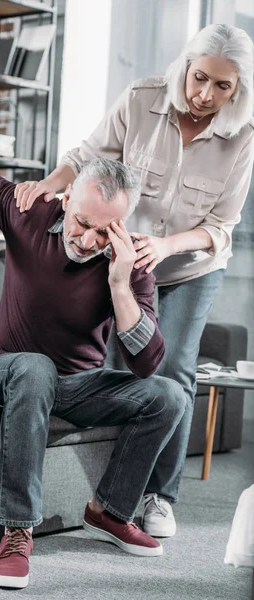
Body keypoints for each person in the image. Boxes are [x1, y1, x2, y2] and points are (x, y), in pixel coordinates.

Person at [13, 23, 254, 538]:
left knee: (176, 372)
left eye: (222, 86)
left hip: (190, 266)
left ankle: (159, 497)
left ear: (239, 89)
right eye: (199, 78)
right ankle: (113, 493)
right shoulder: (142, 98)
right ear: (186, 67)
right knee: (127, 373)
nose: (204, 94)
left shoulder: (244, 137)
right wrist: (46, 187)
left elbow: (220, 228)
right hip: (124, 265)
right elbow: (85, 159)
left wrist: (165, 245)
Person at [0, 157, 186, 589]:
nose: (88, 239)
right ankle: (17, 532)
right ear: (66, 200)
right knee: (35, 368)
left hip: (76, 385)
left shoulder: (129, 262)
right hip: (6, 368)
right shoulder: (30, 211)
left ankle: (109, 512)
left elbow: (147, 364)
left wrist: (120, 283)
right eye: (82, 222)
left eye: (105, 231)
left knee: (170, 395)